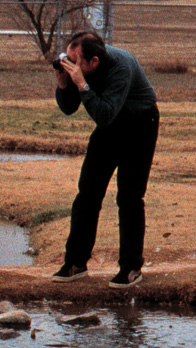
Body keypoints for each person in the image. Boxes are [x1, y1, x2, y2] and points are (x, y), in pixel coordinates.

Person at [50, 31, 159, 288]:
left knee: (129, 197)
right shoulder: (84, 67)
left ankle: (131, 268)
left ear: (94, 61)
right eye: (68, 58)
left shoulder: (122, 66)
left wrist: (82, 85)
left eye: (76, 62)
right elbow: (68, 109)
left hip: (140, 124)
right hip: (111, 124)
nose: (72, 65)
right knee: (87, 193)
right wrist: (64, 83)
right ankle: (75, 263)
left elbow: (104, 114)